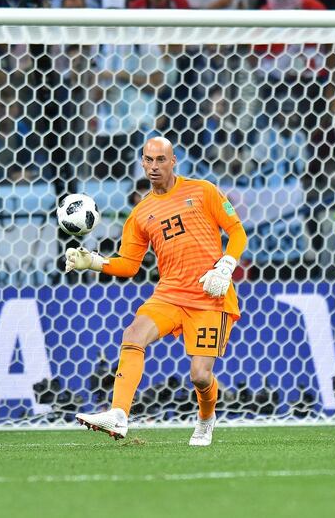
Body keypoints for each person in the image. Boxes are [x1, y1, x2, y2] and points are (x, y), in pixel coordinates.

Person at [66, 137, 247, 446]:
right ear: (142, 163)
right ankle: (119, 414)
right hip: (169, 294)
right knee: (133, 334)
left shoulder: (203, 190)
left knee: (200, 376)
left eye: (160, 160)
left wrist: (226, 265)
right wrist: (93, 261)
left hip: (209, 296)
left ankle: (205, 420)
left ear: (173, 161)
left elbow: (237, 232)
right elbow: (129, 265)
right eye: (148, 160)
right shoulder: (140, 214)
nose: (154, 166)